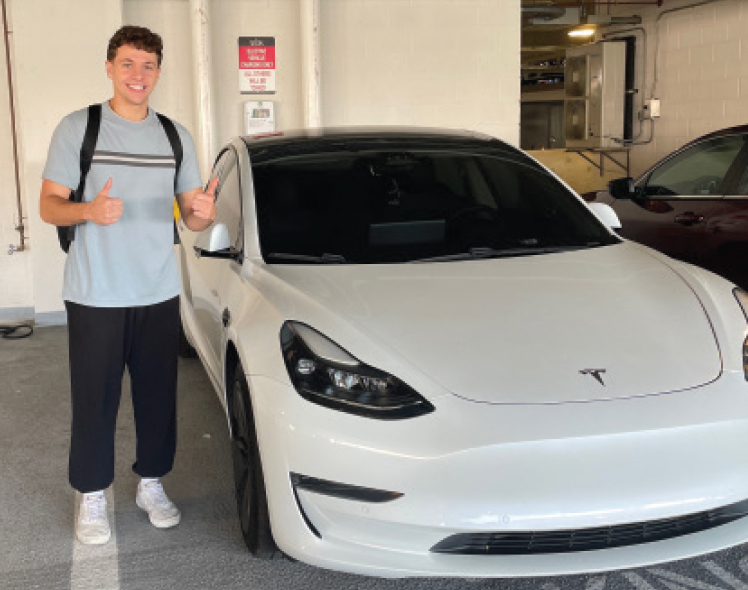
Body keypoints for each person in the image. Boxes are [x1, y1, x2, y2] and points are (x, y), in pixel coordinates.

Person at [39, 25, 217, 545]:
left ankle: (151, 483)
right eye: (128, 63)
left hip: (157, 291)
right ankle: (91, 494)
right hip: (95, 293)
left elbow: (192, 219)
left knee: (159, 396)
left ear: (158, 71)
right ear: (110, 66)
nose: (138, 75)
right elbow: (50, 205)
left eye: (148, 65)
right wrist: (88, 210)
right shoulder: (80, 128)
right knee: (95, 398)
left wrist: (203, 215)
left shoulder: (174, 135)